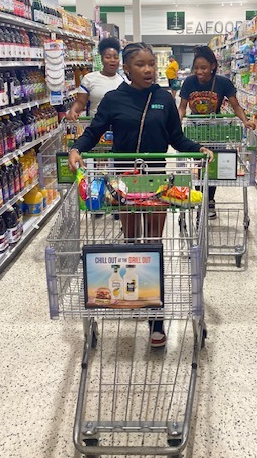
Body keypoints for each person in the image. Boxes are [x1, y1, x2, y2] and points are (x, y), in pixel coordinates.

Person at [68, 42, 213, 348]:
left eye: (151, 64)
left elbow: (176, 137)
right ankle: (137, 295)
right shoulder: (113, 99)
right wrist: (76, 148)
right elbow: (94, 131)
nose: (148, 70)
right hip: (124, 182)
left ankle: (155, 317)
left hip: (156, 182)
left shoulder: (163, 98)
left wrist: (197, 148)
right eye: (141, 64)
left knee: (154, 244)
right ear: (127, 68)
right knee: (133, 243)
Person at [178, 45, 255, 219]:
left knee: (212, 167)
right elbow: (182, 107)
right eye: (196, 68)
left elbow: (235, 106)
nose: (199, 71)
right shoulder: (189, 82)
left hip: (215, 131)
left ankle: (209, 200)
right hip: (195, 131)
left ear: (213, 66)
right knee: (199, 166)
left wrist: (245, 121)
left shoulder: (223, 83)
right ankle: (200, 200)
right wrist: (176, 123)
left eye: (203, 67)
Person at [66, 37, 123, 120]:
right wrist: (73, 110)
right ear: (102, 59)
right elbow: (80, 102)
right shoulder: (89, 79)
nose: (112, 60)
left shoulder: (124, 81)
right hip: (96, 124)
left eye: (116, 57)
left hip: (118, 125)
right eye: (108, 57)